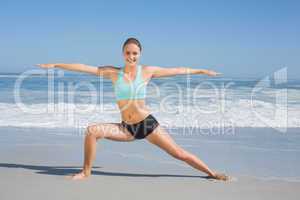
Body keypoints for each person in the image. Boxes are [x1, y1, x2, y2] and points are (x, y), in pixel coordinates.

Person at [36, 37, 228, 181]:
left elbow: (177, 70)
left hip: (147, 125)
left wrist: (202, 71)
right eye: (128, 53)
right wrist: (56, 64)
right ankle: (86, 172)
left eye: (135, 53)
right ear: (123, 54)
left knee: (179, 154)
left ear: (140, 54)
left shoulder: (147, 71)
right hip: (126, 128)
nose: (131, 56)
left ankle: (212, 173)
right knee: (92, 132)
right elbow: (85, 67)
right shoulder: (113, 73)